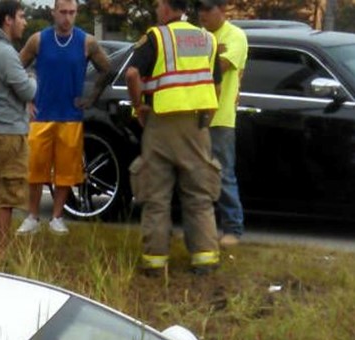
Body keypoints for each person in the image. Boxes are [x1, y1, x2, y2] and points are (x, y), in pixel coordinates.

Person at [125, 0, 223, 276]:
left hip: (161, 122)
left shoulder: (156, 36)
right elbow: (216, 83)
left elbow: (132, 73)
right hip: (196, 124)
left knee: (156, 196)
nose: (157, 10)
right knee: (199, 195)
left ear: (167, 8)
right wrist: (207, 116)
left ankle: (155, 262)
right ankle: (204, 259)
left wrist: (138, 106)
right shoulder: (207, 39)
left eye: (158, 5)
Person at [15, 0, 112, 235]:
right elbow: (15, 68)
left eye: (72, 13)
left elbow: (107, 68)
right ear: (53, 12)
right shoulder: (38, 39)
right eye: (63, 12)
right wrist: (27, 100)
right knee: (35, 169)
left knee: (66, 172)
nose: (67, 18)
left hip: (71, 117)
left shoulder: (86, 41)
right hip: (42, 115)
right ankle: (32, 216)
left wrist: (91, 99)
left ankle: (57, 217)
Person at [0, 1, 36, 255]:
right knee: (7, 197)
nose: (24, 22)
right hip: (10, 136)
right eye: (21, 16)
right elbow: (26, 90)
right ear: (8, 20)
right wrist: (34, 80)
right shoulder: (5, 52)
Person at [197, 0, 248, 247]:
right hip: (196, 113)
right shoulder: (200, 36)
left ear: (222, 10)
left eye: (208, 9)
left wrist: (199, 60)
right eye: (200, 9)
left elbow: (221, 66)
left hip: (221, 116)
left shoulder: (236, 36)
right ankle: (206, 227)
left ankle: (233, 228)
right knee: (199, 175)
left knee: (223, 173)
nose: (202, 14)